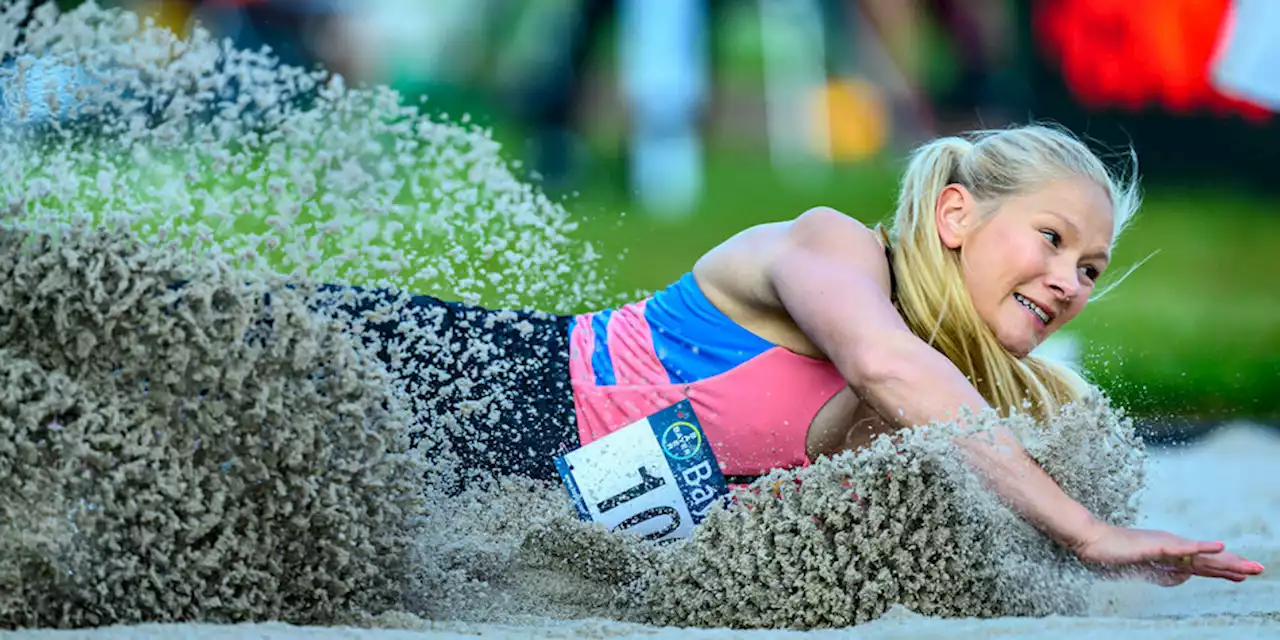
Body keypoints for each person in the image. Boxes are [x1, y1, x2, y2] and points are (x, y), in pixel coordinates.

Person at [344, 123, 1263, 585]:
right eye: (1053, 239)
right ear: (955, 216)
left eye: (1092, 267)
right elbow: (882, 365)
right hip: (469, 377)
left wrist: (1119, 555)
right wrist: (1086, 531)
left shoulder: (940, 407)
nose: (1071, 280)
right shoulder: (835, 250)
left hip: (499, 497)